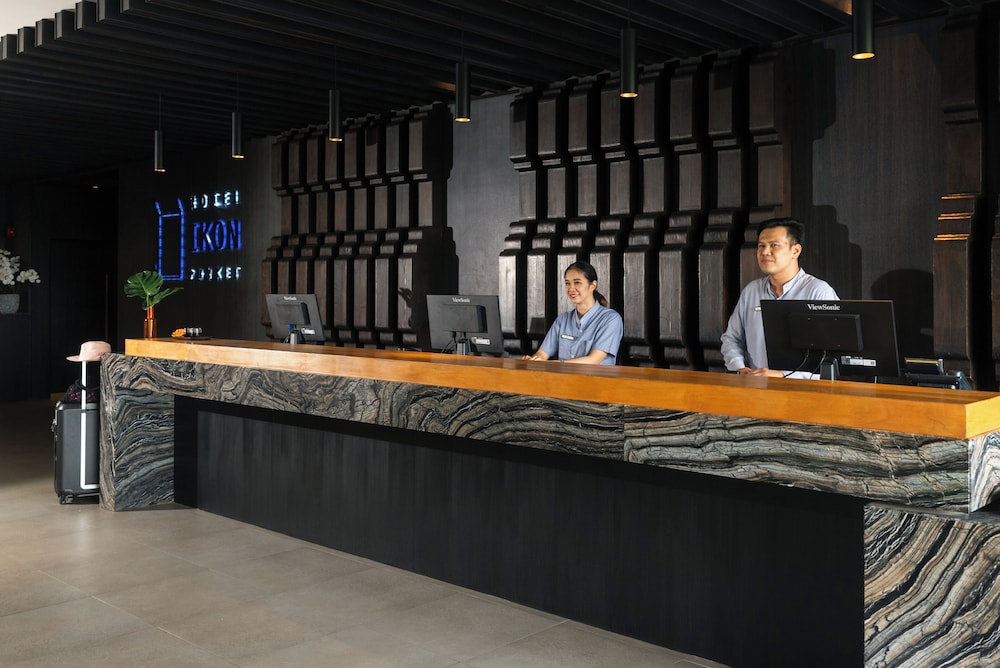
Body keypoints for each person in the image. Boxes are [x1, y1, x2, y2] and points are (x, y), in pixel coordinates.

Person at [721, 218, 839, 378]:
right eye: (761, 245)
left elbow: (832, 357)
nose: (765, 252)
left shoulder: (818, 292)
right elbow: (732, 338)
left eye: (774, 245)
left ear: (795, 251)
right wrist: (739, 368)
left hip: (803, 389)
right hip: (754, 386)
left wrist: (783, 375)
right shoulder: (751, 291)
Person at [523, 260, 624, 365]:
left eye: (577, 282)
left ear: (593, 285)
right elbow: (542, 354)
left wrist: (552, 364)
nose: (571, 288)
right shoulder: (562, 320)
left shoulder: (610, 319)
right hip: (562, 375)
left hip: (595, 376)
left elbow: (594, 360)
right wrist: (534, 360)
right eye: (567, 283)